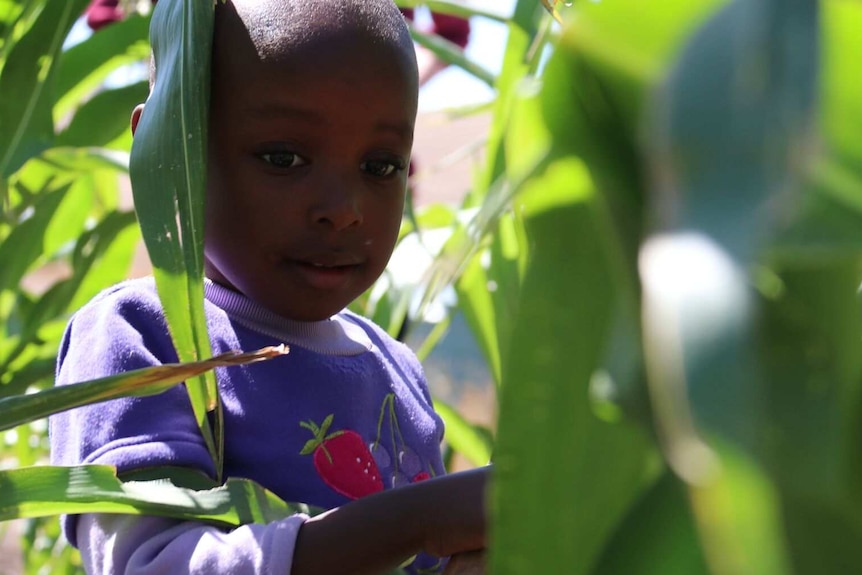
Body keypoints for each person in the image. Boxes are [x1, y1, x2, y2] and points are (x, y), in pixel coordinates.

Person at [50, 1, 489, 574]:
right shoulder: (139, 337)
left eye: (381, 166)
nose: (344, 210)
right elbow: (150, 564)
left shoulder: (396, 367)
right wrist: (416, 520)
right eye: (284, 158)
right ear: (165, 150)